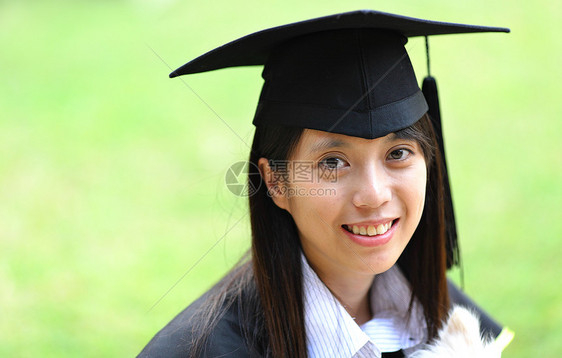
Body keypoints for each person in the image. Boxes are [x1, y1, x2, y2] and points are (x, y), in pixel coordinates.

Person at [139, 10, 513, 357]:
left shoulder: (445, 318)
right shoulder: (205, 349)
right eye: (332, 162)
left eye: (398, 153)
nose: (374, 195)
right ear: (276, 183)